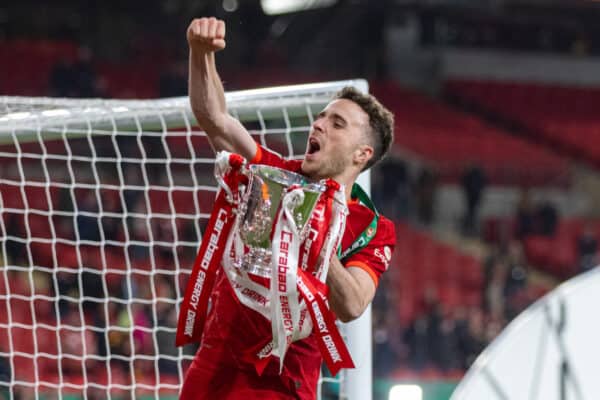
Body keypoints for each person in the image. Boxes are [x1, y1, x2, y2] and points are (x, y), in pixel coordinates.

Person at [180, 17, 396, 400]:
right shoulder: (275, 174)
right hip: (217, 364)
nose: (318, 124)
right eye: (321, 116)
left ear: (362, 155)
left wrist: (309, 234)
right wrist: (201, 54)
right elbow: (215, 119)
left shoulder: (372, 229)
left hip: (284, 380)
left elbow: (353, 304)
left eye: (337, 123)